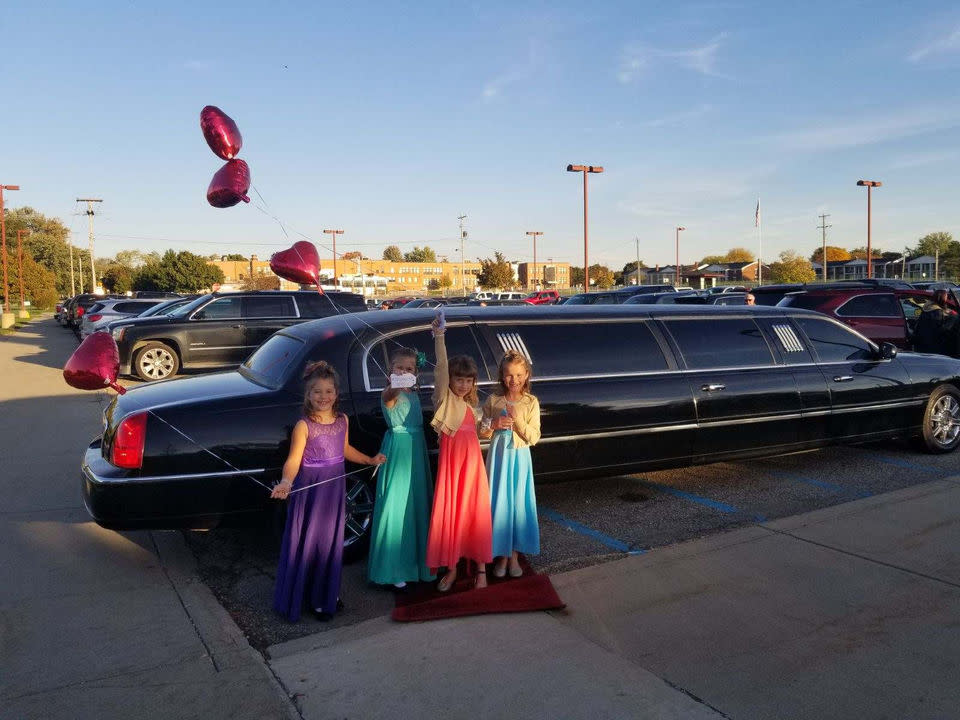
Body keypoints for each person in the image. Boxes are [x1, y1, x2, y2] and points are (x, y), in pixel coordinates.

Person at [271, 361, 386, 622]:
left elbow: (344, 450)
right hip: (311, 493)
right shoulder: (304, 425)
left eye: (329, 391)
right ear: (308, 395)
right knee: (307, 543)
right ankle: (304, 594)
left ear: (336, 393)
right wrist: (286, 483)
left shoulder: (343, 420)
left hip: (334, 492)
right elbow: (293, 460)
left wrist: (369, 460)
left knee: (329, 545)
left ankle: (325, 595)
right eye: (317, 392)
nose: (324, 397)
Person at [425, 316, 493, 591]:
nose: (463, 385)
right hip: (452, 471)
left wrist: (487, 427)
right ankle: (451, 569)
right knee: (452, 515)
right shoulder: (444, 401)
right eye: (459, 380)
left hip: (473, 469)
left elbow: (480, 434)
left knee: (475, 514)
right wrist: (439, 337)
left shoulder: (472, 406)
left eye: (468, 380)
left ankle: (480, 568)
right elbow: (441, 369)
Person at [367, 348, 435, 589]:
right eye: (399, 368)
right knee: (397, 506)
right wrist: (396, 383)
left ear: (416, 373)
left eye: (410, 369)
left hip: (416, 451)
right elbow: (389, 396)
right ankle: (393, 568)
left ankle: (416, 563)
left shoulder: (413, 394)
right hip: (399, 452)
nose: (404, 372)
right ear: (390, 372)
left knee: (415, 505)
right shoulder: (391, 393)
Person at [480, 350, 542, 579]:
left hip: (519, 459)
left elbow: (534, 437)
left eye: (518, 375)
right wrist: (493, 423)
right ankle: (501, 555)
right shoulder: (494, 400)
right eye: (508, 375)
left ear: (526, 375)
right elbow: (483, 431)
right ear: (501, 376)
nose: (513, 380)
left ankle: (514, 556)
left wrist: (517, 423)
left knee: (517, 504)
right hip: (498, 459)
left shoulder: (531, 402)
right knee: (500, 504)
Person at [913, 289, 956, 355]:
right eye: (946, 297)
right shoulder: (937, 312)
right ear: (941, 298)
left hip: (922, 342)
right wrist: (952, 319)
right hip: (933, 346)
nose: (946, 300)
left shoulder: (927, 308)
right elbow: (941, 330)